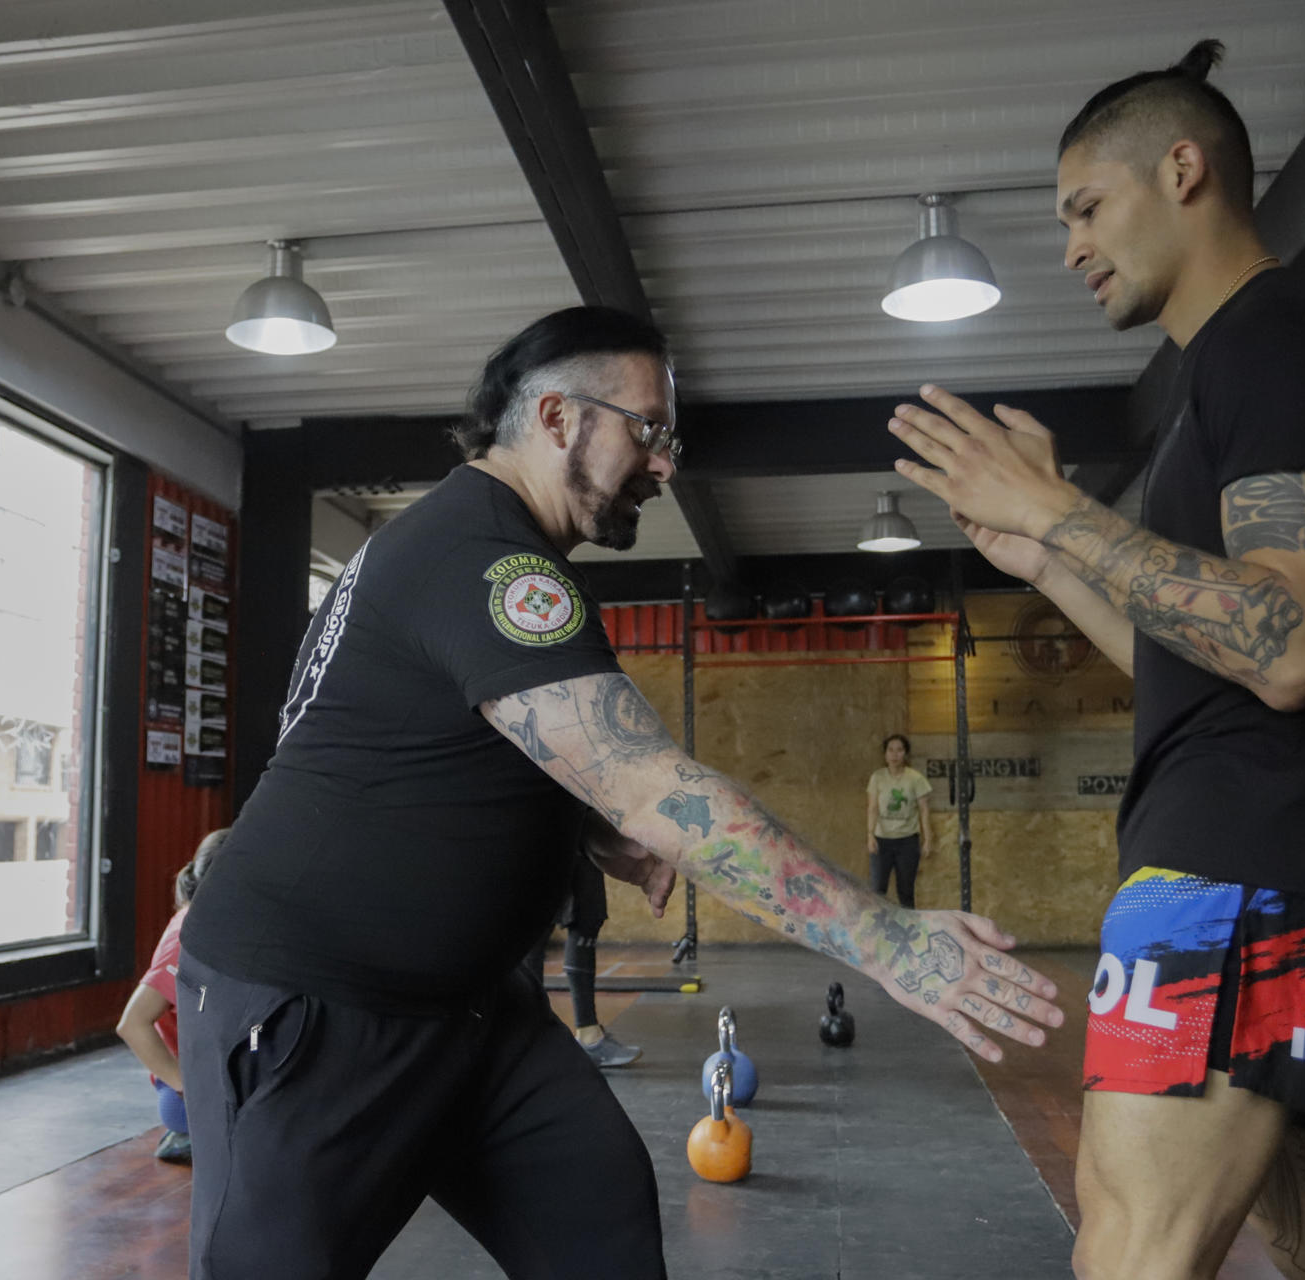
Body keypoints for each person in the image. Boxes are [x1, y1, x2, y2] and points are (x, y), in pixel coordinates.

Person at [177, 306, 1064, 1280]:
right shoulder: (484, 559)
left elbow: (426, 743)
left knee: (598, 1221)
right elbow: (653, 785)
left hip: (476, 1013)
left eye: (668, 436)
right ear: (557, 417)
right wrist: (887, 937)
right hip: (321, 1006)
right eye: (648, 429)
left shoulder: (462, 548)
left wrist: (582, 822)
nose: (666, 462)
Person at [887, 40, 1305, 1280]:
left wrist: (1067, 510)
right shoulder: (1223, 373)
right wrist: (1049, 556)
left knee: (1130, 1243)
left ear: (1183, 170)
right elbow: (1204, 654)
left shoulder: (1280, 334)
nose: (1070, 245)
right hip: (1272, 854)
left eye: (1085, 207)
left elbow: (1290, 645)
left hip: (1243, 866)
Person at [114, 828, 227, 1165]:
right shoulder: (186, 937)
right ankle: (190, 1134)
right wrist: (188, 1089)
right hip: (187, 1097)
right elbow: (132, 1024)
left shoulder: (214, 924)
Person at [539, 852, 641, 1068]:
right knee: (536, 924)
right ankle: (534, 1041)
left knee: (588, 916)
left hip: (578, 834)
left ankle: (588, 1035)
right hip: (538, 835)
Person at [865, 732, 932, 908]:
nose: (895, 755)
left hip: (907, 841)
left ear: (906, 754)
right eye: (891, 750)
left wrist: (927, 840)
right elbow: (872, 808)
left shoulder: (916, 778)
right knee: (878, 890)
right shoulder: (877, 777)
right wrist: (870, 835)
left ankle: (909, 932)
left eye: (899, 750)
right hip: (882, 840)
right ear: (885, 754)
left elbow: (924, 810)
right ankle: (877, 930)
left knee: (906, 891)